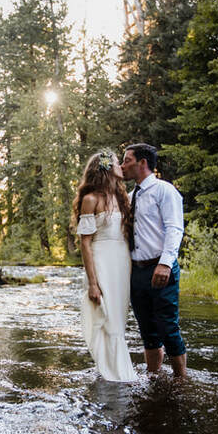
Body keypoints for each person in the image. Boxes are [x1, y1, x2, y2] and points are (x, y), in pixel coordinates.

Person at [120, 143, 187, 377]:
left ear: (143, 163)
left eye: (127, 160)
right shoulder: (129, 197)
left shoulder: (164, 191)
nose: (122, 165)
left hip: (160, 267)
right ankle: (153, 376)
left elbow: (175, 228)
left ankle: (181, 381)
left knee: (168, 327)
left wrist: (166, 263)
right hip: (136, 272)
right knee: (147, 330)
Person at [73, 150, 139, 382]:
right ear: (106, 168)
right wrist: (93, 283)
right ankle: (114, 373)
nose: (121, 165)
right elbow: (85, 244)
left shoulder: (123, 198)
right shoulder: (91, 199)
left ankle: (117, 369)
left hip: (122, 263)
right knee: (107, 315)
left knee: (118, 319)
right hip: (101, 263)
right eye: (116, 163)